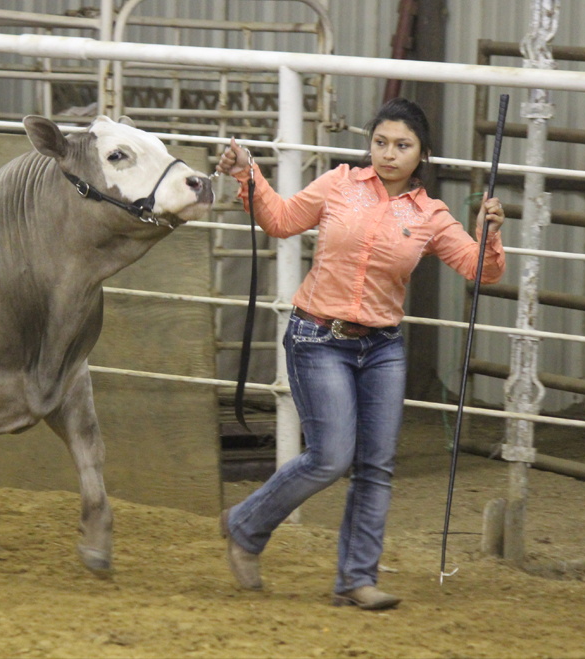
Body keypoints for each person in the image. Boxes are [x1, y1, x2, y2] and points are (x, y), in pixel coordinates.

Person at [216, 97, 505, 610]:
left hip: (382, 347)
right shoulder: (338, 184)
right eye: (380, 142)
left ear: (423, 155)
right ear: (369, 143)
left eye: (402, 145)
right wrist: (250, 176)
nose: (388, 154)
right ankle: (245, 524)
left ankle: (356, 579)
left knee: (376, 466)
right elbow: (280, 220)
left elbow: (480, 271)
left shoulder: (431, 216)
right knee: (330, 457)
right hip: (317, 336)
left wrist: (490, 233)